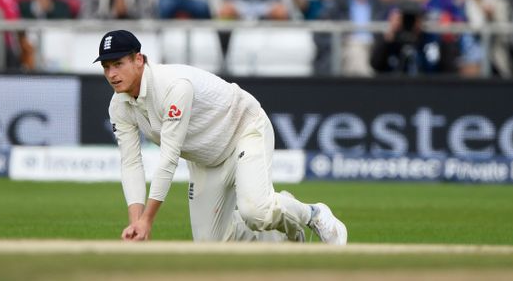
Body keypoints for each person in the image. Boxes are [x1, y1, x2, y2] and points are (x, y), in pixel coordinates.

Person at [97, 29, 347, 244]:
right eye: (107, 67)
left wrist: (147, 221)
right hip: (206, 157)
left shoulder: (174, 86)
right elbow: (131, 163)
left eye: (118, 64)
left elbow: (169, 157)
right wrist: (136, 223)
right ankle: (278, 232)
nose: (112, 74)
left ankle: (313, 214)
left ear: (138, 60)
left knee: (255, 212)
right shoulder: (118, 105)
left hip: (244, 129)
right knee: (213, 243)